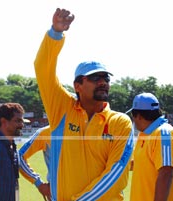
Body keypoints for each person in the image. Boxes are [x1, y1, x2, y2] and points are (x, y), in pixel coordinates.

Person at [34, 8, 134, 201]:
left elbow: (117, 171)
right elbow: (43, 69)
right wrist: (55, 33)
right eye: (95, 77)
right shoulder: (61, 108)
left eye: (106, 78)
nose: (103, 82)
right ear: (77, 85)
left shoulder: (121, 122)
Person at [127, 92, 173, 201]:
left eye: (133, 116)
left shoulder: (164, 133)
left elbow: (166, 172)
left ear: (139, 116)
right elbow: (141, 164)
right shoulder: (145, 134)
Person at [19, 125, 52, 201]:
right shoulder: (46, 133)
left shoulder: (83, 127)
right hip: (57, 192)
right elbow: (20, 157)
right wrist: (38, 183)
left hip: (83, 192)